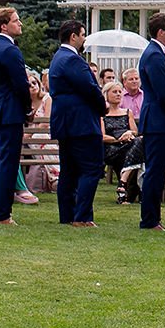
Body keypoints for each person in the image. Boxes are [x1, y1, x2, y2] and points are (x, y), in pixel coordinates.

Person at [48, 21, 107, 227]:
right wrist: (103, 107)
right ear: (73, 36)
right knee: (91, 169)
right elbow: (90, 88)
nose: (84, 39)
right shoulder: (73, 60)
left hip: (65, 122)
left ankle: (67, 215)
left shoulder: (57, 58)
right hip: (80, 122)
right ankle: (81, 216)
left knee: (69, 170)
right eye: (82, 35)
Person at [0, 6, 32, 225]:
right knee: (8, 163)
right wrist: (28, 108)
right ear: (4, 25)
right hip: (10, 112)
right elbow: (21, 84)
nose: (20, 23)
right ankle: (3, 213)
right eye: (16, 20)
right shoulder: (10, 50)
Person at [135, 14, 165, 230]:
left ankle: (153, 216)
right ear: (161, 32)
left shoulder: (157, 54)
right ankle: (149, 218)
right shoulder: (153, 56)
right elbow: (164, 93)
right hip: (157, 121)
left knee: (157, 168)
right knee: (154, 171)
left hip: (159, 120)